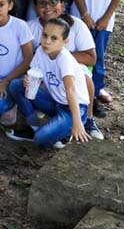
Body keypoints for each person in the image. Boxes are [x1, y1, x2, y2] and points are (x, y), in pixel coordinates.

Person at [29, 0, 102, 139]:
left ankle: (87, 119)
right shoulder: (31, 27)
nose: (48, 7)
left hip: (72, 71)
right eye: (42, 3)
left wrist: (59, 57)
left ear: (62, 6)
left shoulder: (76, 24)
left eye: (53, 2)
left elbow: (91, 57)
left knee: (84, 77)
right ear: (35, 8)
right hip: (46, 71)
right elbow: (30, 57)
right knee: (23, 84)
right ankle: (42, 119)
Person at [5, 17, 91, 148]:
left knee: (41, 139)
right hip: (55, 102)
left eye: (54, 38)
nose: (47, 41)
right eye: (45, 35)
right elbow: (34, 74)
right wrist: (28, 81)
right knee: (16, 85)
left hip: (75, 108)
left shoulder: (65, 59)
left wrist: (77, 121)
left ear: (65, 42)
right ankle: (34, 126)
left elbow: (71, 90)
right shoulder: (41, 51)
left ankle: (64, 131)